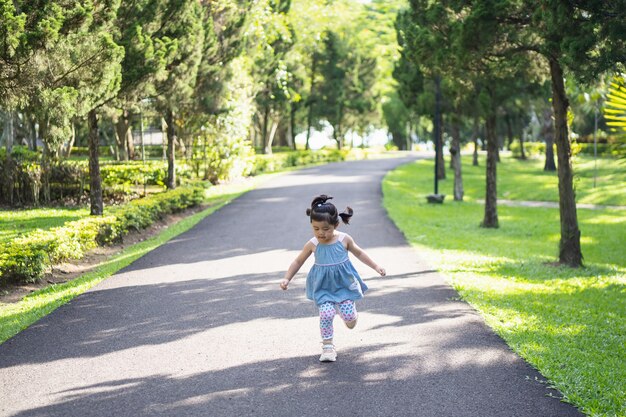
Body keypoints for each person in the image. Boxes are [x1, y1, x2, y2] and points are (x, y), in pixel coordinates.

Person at [280, 194, 386, 362]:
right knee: (326, 314)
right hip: (323, 286)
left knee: (349, 317)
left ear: (335, 224)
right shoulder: (313, 244)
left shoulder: (344, 239)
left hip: (344, 285)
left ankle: (351, 317)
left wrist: (376, 266)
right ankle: (328, 346)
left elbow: (359, 253)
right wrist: (287, 278)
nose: (320, 233)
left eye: (325, 229)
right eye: (316, 228)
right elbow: (298, 261)